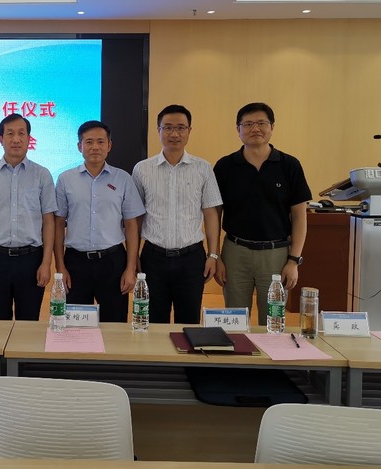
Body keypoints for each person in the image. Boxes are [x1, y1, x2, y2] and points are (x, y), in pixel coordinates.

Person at [214, 102, 311, 325]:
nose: (255, 128)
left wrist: (293, 261)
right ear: (238, 129)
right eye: (248, 124)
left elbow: (299, 217)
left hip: (276, 254)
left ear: (272, 127)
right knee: (235, 320)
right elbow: (214, 215)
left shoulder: (289, 165)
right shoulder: (225, 166)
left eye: (261, 123)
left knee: (273, 322)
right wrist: (216, 256)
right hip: (235, 252)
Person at [132, 104, 222, 324]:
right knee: (152, 322)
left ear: (189, 130)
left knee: (189, 322)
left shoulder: (203, 168)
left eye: (181, 128)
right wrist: (133, 256)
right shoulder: (142, 169)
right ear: (158, 130)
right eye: (168, 127)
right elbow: (135, 217)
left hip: (191, 259)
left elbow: (211, 214)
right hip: (153, 258)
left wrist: (213, 255)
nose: (174, 134)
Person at [0, 114, 57, 321]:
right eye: (10, 134)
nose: (16, 139)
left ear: (29, 138)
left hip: (31, 259)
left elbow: (48, 222)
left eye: (21, 133)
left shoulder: (42, 174)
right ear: (0, 138)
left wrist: (46, 263)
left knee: (29, 322)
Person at [54, 121, 145, 322]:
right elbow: (58, 224)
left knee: (115, 323)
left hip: (112, 261)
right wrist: (60, 267)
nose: (95, 147)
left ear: (109, 145)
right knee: (75, 324)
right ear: (79, 146)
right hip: (76, 262)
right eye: (89, 142)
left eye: (100, 142)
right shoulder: (65, 179)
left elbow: (131, 225)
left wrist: (130, 268)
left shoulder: (123, 179)